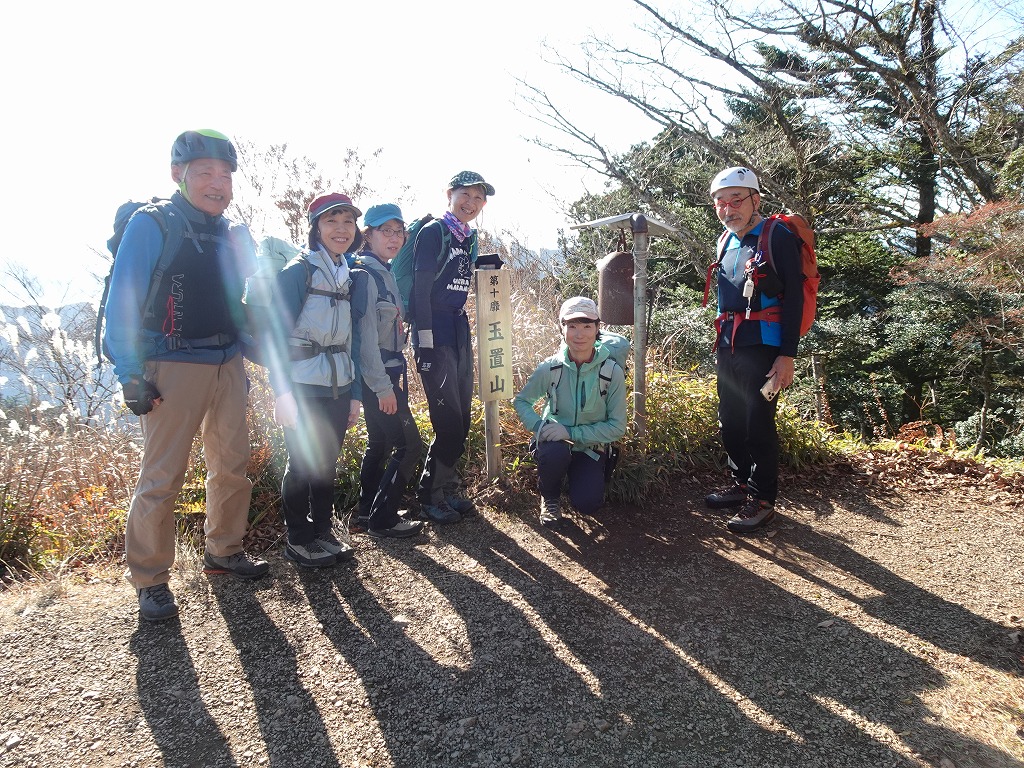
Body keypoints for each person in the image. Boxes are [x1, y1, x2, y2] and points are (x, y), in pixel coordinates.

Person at [104, 129, 269, 622]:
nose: (218, 184)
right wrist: (130, 374)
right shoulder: (152, 224)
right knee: (162, 476)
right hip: (171, 362)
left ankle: (224, 549)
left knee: (232, 464)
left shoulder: (230, 232)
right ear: (178, 174)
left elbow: (242, 301)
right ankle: (150, 578)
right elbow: (123, 301)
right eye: (205, 173)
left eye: (225, 175)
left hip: (227, 361)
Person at [704, 166, 804, 534]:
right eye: (721, 202)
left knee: (758, 422)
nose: (728, 209)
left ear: (755, 200)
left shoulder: (777, 236)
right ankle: (741, 483)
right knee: (730, 419)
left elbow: (794, 297)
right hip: (729, 342)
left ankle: (763, 500)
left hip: (765, 342)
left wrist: (787, 355)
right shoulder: (725, 240)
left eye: (736, 200)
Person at [267, 193, 364, 567]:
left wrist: (355, 394)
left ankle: (323, 531)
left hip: (339, 382)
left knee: (327, 462)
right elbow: (275, 334)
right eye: (331, 221)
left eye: (348, 221)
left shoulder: (346, 273)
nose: (341, 229)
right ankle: (298, 538)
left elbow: (352, 339)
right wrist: (282, 393)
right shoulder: (298, 272)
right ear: (316, 228)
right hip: (302, 383)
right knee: (301, 463)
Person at [410, 171, 495, 524]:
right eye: (465, 195)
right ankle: (430, 496)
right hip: (434, 330)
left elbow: (459, 276)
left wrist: (485, 267)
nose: (470, 203)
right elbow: (420, 289)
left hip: (458, 328)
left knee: (461, 419)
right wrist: (426, 342)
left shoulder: (467, 237)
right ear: (450, 194)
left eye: (478, 198)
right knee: (447, 421)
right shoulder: (435, 232)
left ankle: (447, 489)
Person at [513, 297, 628, 527]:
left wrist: (571, 432)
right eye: (572, 326)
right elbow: (522, 401)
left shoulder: (611, 372)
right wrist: (540, 427)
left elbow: (617, 427)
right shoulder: (550, 367)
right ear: (562, 328)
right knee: (555, 454)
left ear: (597, 329)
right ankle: (550, 497)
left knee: (588, 504)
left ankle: (573, 475)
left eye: (587, 326)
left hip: (590, 447)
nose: (579, 334)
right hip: (556, 444)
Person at [348, 204, 425, 539]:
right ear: (368, 235)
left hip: (385, 370)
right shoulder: (365, 276)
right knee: (409, 445)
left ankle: (368, 511)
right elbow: (364, 340)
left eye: (399, 231)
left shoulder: (385, 272)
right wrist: (382, 387)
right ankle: (383, 519)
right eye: (385, 231)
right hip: (378, 374)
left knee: (379, 443)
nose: (394, 238)